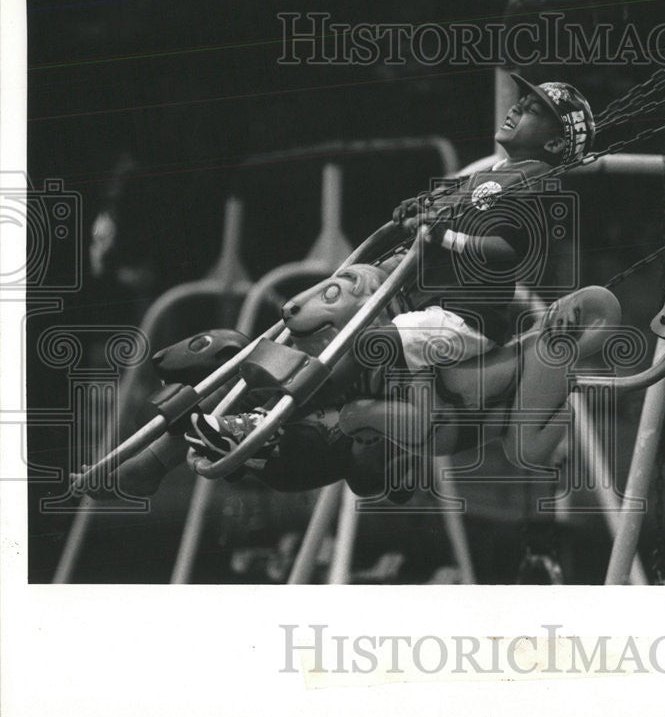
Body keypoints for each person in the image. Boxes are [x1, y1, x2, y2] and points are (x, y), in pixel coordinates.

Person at [186, 75, 595, 496]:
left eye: (531, 110)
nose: (515, 108)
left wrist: (445, 236)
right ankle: (261, 416)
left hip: (464, 320)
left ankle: (269, 423)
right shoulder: (490, 174)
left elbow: (509, 248)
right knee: (343, 339)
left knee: (370, 343)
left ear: (552, 144)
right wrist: (418, 208)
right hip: (427, 303)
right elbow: (438, 212)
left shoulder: (535, 181)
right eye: (521, 101)